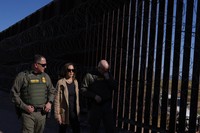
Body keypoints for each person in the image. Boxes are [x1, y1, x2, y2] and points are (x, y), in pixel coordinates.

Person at [11, 54, 55, 133]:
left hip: (42, 114)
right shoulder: (22, 76)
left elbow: (52, 91)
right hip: (28, 114)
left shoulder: (46, 77)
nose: (45, 67)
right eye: (43, 65)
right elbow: (14, 94)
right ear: (36, 65)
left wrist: (50, 102)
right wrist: (24, 107)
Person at [81, 59, 117, 133]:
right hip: (95, 106)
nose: (105, 71)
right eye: (104, 70)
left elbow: (114, 87)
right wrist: (94, 96)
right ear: (98, 68)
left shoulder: (108, 74)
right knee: (94, 128)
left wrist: (108, 79)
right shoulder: (90, 75)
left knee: (110, 127)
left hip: (107, 105)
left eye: (107, 69)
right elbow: (83, 89)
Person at [54, 63, 80, 133]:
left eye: (73, 70)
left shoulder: (75, 82)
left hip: (74, 112)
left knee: (77, 129)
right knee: (62, 130)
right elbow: (57, 100)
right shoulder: (60, 83)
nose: (71, 72)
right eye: (69, 70)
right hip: (64, 112)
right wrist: (57, 115)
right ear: (65, 71)